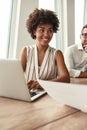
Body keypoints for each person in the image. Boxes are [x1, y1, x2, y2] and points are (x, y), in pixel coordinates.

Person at [20, 8, 70, 90]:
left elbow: (66, 78)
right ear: (34, 31)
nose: (46, 35)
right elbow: (17, 77)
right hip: (29, 94)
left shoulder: (57, 54)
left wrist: (43, 84)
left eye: (50, 30)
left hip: (48, 95)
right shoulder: (26, 51)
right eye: (42, 30)